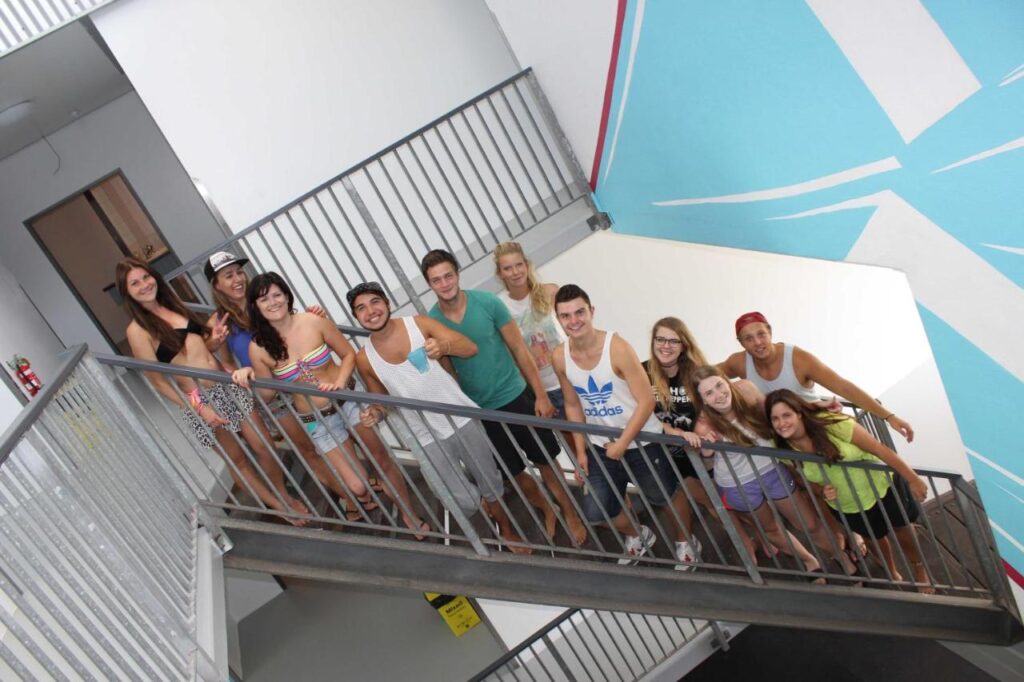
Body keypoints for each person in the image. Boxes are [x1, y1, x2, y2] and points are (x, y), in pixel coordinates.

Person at [208, 254, 421, 533]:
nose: (236, 279)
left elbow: (345, 354)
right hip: (303, 408)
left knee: (379, 456)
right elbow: (233, 366)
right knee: (339, 471)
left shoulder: (308, 320)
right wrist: (244, 372)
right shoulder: (235, 331)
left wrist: (341, 381)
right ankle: (353, 496)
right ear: (218, 285)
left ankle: (407, 513)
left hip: (343, 398)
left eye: (238, 272)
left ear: (286, 296)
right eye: (228, 275)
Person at [116, 257, 309, 525]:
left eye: (146, 277)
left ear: (155, 278)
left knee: (265, 446)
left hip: (227, 386)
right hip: (199, 401)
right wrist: (199, 408)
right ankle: (278, 504)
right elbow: (159, 382)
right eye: (134, 283)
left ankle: (281, 494)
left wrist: (214, 341)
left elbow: (199, 352)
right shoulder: (137, 330)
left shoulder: (176, 307)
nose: (144, 285)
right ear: (127, 292)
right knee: (238, 459)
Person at [422, 249, 587, 547]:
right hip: (481, 412)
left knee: (546, 460)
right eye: (436, 280)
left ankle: (570, 512)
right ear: (429, 285)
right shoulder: (431, 322)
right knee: (512, 472)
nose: (444, 283)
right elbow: (448, 373)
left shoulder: (487, 303)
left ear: (457, 274)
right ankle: (547, 508)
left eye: (448, 275)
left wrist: (539, 394)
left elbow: (519, 349)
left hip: (517, 396)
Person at [346, 282, 519, 548]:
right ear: (356, 317)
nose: (370, 311)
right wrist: (376, 413)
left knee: (490, 481)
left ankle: (507, 532)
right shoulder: (364, 358)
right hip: (423, 434)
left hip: (460, 417)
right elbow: (381, 399)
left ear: (387, 303)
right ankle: (481, 504)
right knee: (456, 496)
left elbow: (469, 347)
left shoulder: (419, 324)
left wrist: (444, 346)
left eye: (375, 302)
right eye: (361, 308)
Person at [552, 285, 704, 567]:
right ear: (558, 319)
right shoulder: (560, 356)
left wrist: (622, 443)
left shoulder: (617, 347)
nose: (574, 321)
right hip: (600, 445)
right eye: (565, 316)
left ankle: (686, 541)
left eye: (579, 312)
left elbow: (646, 401)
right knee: (596, 511)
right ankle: (640, 536)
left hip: (643, 440)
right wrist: (582, 452)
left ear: (591, 311)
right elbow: (572, 405)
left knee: (665, 496)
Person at [692, 365, 855, 580]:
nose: (718, 395)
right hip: (737, 482)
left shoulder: (746, 390)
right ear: (703, 400)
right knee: (771, 529)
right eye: (709, 393)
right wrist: (706, 445)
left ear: (726, 381)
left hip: (771, 468)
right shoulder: (705, 424)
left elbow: (777, 410)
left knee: (809, 523)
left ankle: (842, 558)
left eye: (719, 385)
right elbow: (706, 454)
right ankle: (809, 561)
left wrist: (816, 407)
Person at [766, 389, 932, 592]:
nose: (781, 423)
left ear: (799, 413)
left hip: (882, 486)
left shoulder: (833, 423)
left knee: (902, 529)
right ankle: (890, 571)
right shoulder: (782, 448)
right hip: (848, 503)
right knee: (873, 537)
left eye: (786, 415)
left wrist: (912, 478)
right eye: (775, 419)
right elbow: (801, 477)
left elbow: (879, 449)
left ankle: (919, 569)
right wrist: (820, 490)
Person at [718, 311, 914, 442]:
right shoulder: (738, 362)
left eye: (761, 334)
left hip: (817, 425)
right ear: (741, 342)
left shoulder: (799, 359)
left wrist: (889, 416)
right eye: (748, 338)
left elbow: (843, 387)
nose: (757, 342)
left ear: (770, 332)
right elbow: (702, 375)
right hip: (785, 434)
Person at [643, 317, 723, 565]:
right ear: (653, 341)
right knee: (681, 498)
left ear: (684, 344)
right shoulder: (643, 371)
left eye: (673, 340)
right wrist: (675, 433)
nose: (666, 346)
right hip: (665, 452)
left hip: (696, 453)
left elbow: (714, 405)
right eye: (660, 339)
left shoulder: (696, 372)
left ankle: (751, 540)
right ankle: (688, 542)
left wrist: (706, 430)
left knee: (715, 503)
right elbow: (641, 414)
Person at [493, 241, 566, 416]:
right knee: (573, 441)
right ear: (500, 274)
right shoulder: (499, 306)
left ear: (526, 265)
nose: (515, 272)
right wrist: (537, 394)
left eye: (519, 265)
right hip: (543, 391)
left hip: (572, 378)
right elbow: (512, 353)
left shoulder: (551, 291)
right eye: (508, 268)